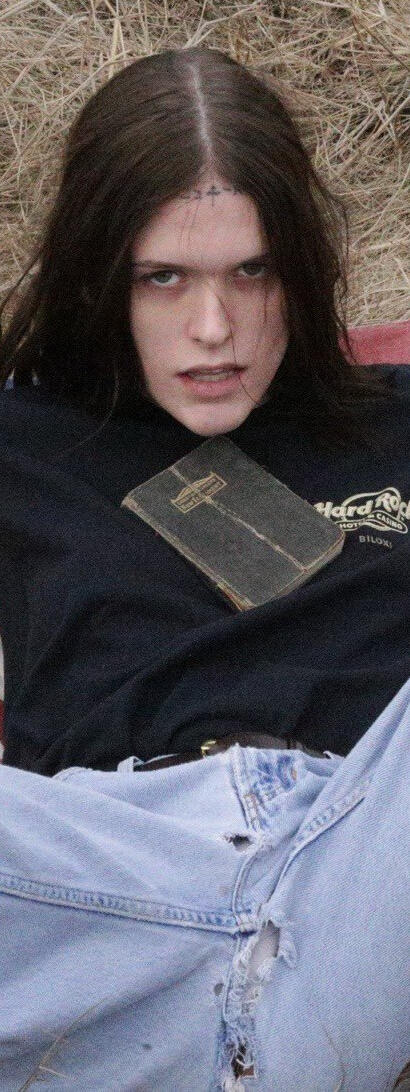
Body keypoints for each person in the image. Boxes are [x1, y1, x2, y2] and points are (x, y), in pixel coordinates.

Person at [0, 46, 408, 1091]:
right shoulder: (22, 444)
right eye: (163, 277)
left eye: (251, 271)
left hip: (368, 860)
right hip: (103, 885)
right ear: (98, 278)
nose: (213, 329)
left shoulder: (400, 421)